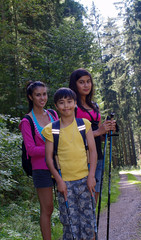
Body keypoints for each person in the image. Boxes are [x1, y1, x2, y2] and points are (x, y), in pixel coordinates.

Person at [42, 87, 97, 240]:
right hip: (65, 184)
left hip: (85, 181)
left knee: (88, 221)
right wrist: (59, 181)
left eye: (69, 102)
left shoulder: (84, 124)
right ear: (56, 107)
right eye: (61, 103)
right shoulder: (51, 130)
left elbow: (93, 151)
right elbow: (49, 158)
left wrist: (91, 176)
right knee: (69, 223)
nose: (66, 106)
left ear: (75, 104)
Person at [69, 68, 116, 203]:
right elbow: (70, 137)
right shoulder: (72, 107)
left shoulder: (94, 106)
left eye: (88, 81)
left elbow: (98, 136)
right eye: (82, 82)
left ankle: (92, 225)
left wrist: (107, 131)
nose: (86, 85)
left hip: (97, 155)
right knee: (84, 198)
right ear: (74, 84)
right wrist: (98, 132)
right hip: (81, 158)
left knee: (94, 197)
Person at [19, 81, 58, 240]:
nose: (42, 98)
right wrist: (52, 148)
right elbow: (31, 150)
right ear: (30, 97)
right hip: (40, 168)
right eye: (38, 95)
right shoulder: (26, 121)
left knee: (64, 204)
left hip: (59, 166)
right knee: (47, 208)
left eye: (44, 94)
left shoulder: (53, 115)